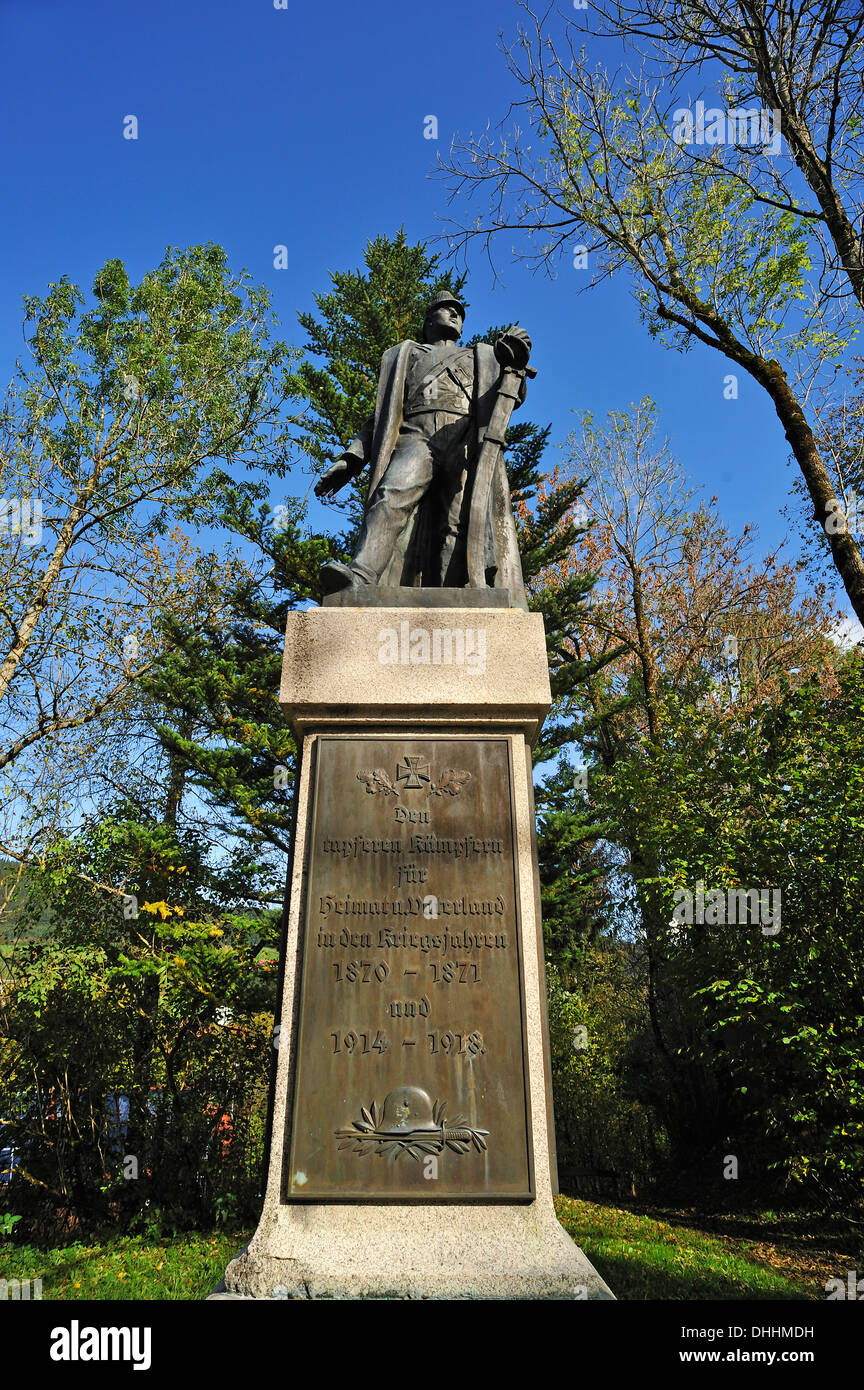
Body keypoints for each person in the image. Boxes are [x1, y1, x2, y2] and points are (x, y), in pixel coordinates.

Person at [315, 291, 532, 605]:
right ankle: (359, 575)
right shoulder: (405, 355)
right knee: (390, 494)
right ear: (429, 319)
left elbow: (510, 397)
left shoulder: (483, 355)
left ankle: (455, 593)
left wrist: (516, 362)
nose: (455, 315)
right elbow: (381, 418)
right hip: (415, 437)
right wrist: (351, 459)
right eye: (447, 309)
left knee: (459, 519)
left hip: (464, 439)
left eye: (459, 312)